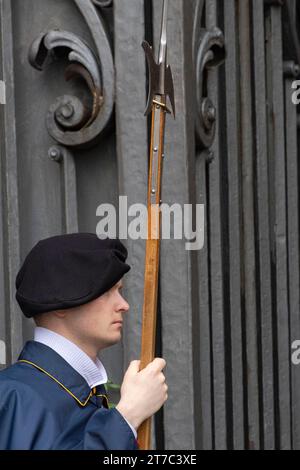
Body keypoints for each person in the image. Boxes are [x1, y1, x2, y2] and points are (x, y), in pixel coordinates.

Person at [0, 233, 168, 450]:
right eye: (107, 292)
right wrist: (127, 416)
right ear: (60, 303)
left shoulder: (88, 394)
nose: (124, 305)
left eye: (119, 291)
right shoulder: (12, 396)